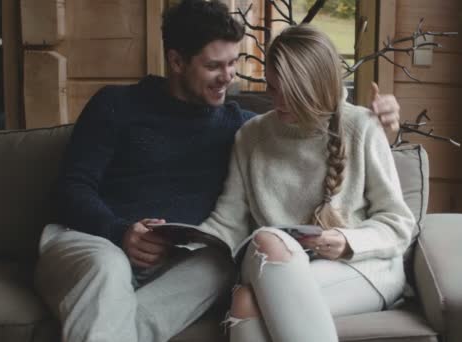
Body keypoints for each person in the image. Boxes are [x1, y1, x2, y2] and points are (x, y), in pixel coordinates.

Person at [33, 0, 402, 341]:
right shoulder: (116, 104)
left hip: (178, 260)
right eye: (213, 66)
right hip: (93, 242)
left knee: (220, 267)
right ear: (177, 62)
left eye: (233, 63)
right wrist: (119, 232)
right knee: (107, 268)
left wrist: (386, 132)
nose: (228, 77)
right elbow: (71, 188)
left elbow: (311, 132)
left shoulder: (244, 128)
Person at [195, 24, 416, 342]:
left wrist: (347, 241)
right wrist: (182, 243)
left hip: (364, 268)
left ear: (317, 86)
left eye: (291, 91)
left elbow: (398, 225)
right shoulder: (251, 136)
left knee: (248, 292)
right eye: (272, 88)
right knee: (265, 247)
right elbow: (227, 225)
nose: (279, 101)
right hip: (274, 266)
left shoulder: (362, 127)